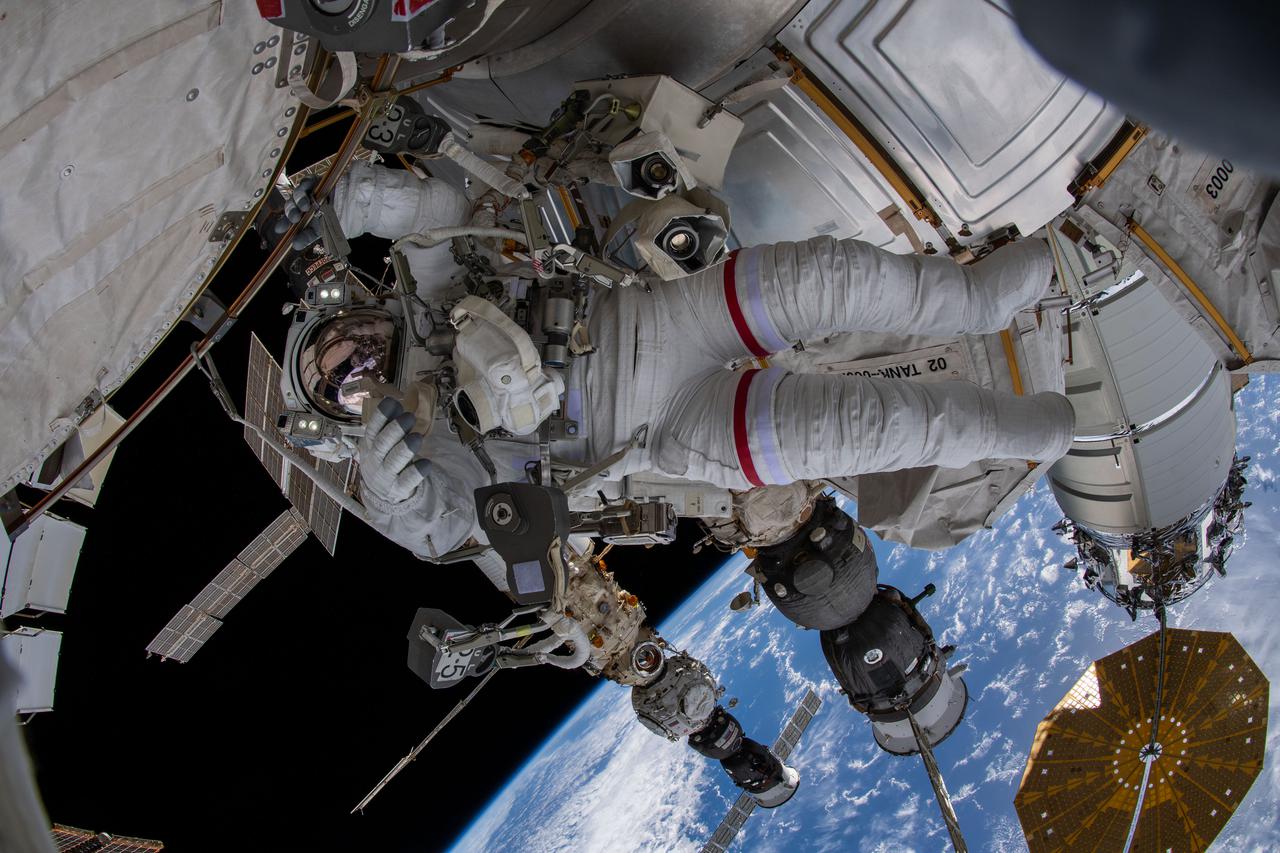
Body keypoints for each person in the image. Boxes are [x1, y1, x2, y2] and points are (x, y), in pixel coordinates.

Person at [324, 164, 1074, 564]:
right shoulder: (433, 450)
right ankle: (1028, 430)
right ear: (344, 411)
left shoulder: (425, 290)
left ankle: (985, 294)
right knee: (873, 427)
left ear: (355, 308)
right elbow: (449, 523)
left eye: (345, 341)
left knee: (837, 278)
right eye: (344, 378)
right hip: (665, 426)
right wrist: (396, 502)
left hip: (662, 307)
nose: (362, 359)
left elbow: (438, 213)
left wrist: (375, 202)